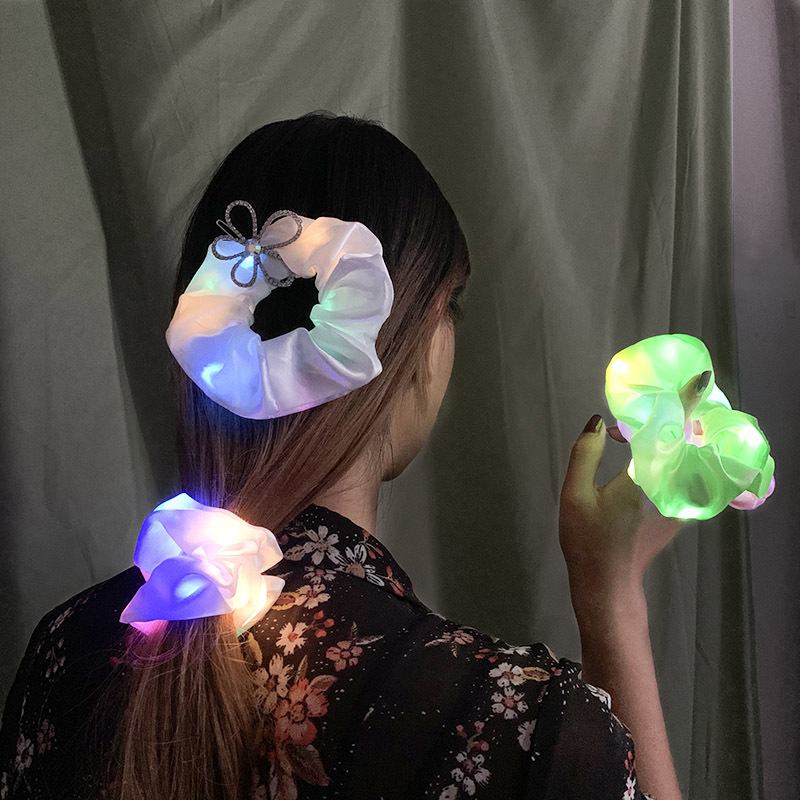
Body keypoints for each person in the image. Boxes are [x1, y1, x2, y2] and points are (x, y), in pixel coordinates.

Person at [0, 111, 696, 800]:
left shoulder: (64, 651)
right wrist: (610, 599)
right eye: (452, 309)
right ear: (416, 342)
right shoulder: (510, 722)